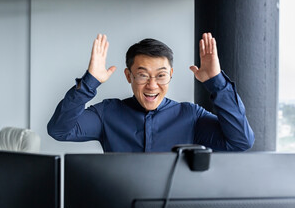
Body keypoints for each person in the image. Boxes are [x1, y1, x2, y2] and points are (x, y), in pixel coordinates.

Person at [47, 33, 255, 152]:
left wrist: (216, 82)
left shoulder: (191, 115)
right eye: (143, 75)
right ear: (129, 76)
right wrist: (89, 82)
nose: (152, 85)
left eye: (161, 75)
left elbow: (241, 141)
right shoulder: (107, 113)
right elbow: (60, 130)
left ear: (171, 75)